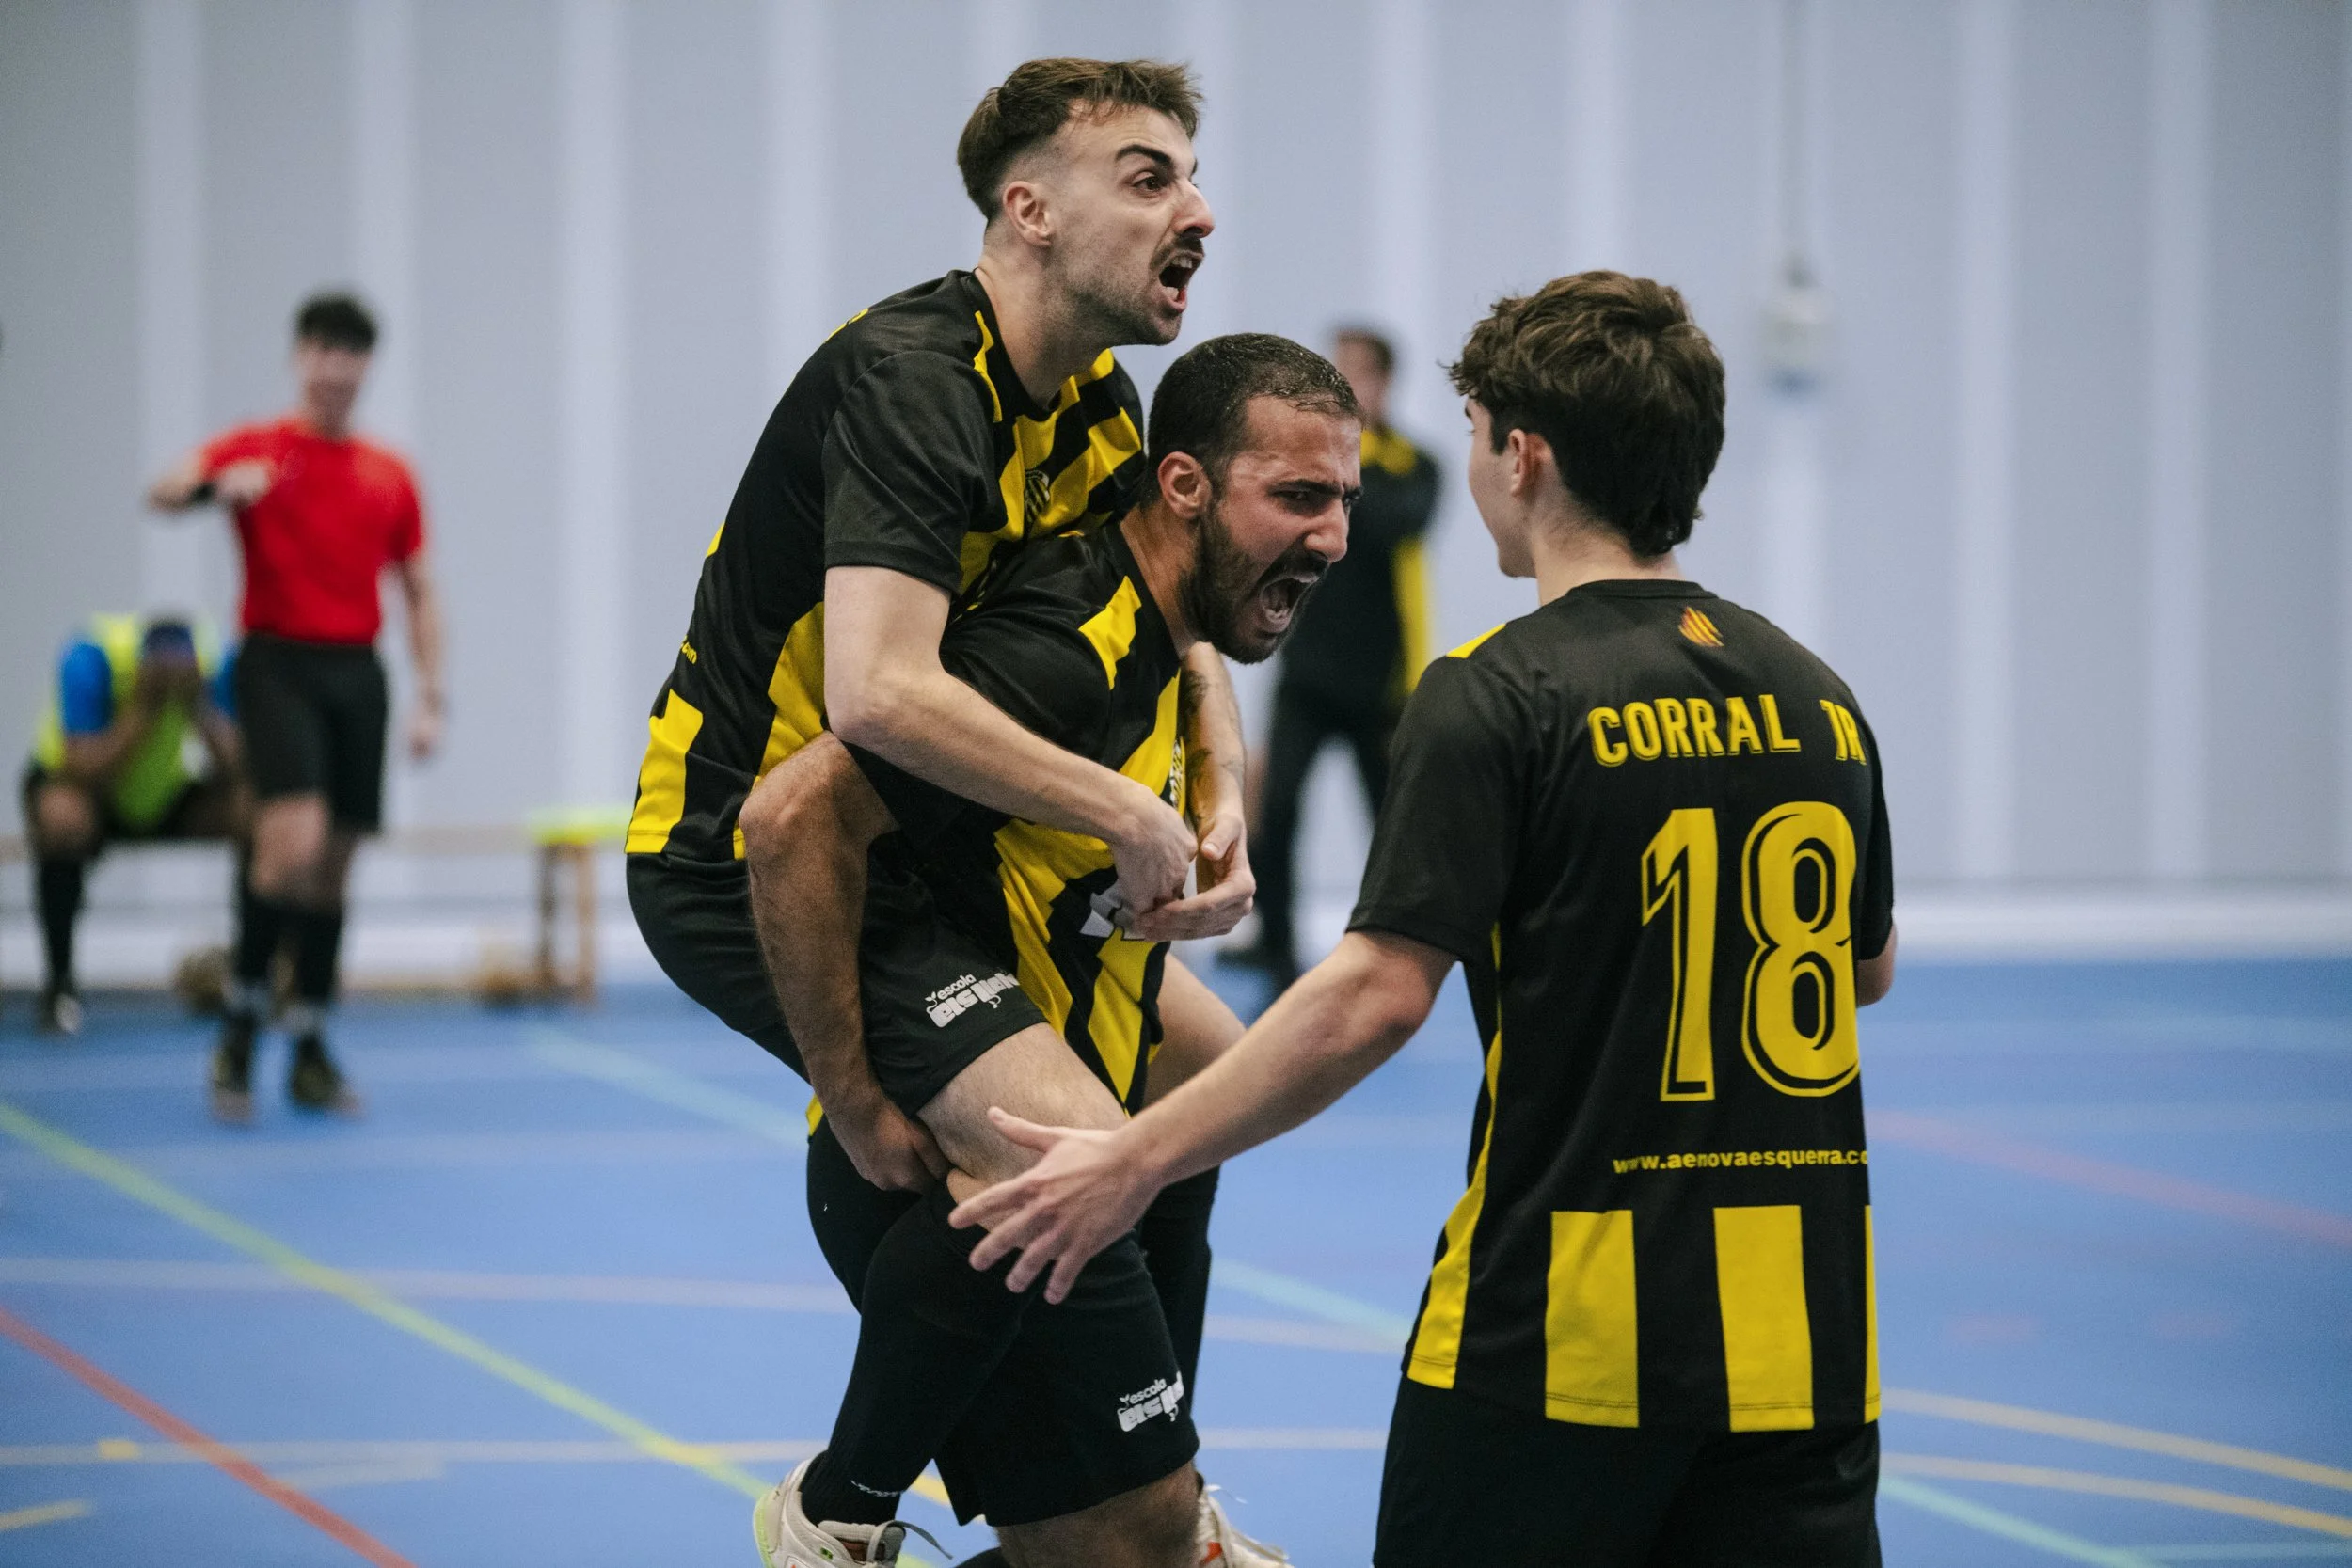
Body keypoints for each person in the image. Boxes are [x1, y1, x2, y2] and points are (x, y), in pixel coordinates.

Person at [956, 273, 1901, 1568]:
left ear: (1523, 456)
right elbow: (1865, 963)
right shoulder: (1819, 696)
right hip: (1808, 1337)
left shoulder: (1499, 693)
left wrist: (1132, 1159)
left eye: (1472, 436)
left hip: (1557, 1335)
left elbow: (1376, 993)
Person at [743, 334, 1355, 1568]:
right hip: (989, 1205)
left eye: (1346, 499)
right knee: (1143, 1554)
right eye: (1299, 496)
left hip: (1069, 1172)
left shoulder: (1153, 626)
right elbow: (790, 819)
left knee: (1210, 1075)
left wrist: (1220, 789)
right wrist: (852, 1092)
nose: (1334, 535)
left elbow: (1193, 661)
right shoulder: (1064, 646)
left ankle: (1172, 1453)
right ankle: (834, 1508)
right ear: (1182, 485)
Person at [148, 293, 446, 1121]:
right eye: (321, 350)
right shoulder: (259, 448)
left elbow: (420, 589)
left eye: (350, 354)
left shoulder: (390, 472)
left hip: (359, 670)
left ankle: (309, 1041)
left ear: (365, 367)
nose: (334, 368)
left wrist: (430, 696)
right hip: (277, 662)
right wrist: (217, 487)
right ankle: (240, 1030)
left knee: (335, 862)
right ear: (299, 357)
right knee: (291, 842)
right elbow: (163, 490)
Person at [1224, 326, 1439, 987]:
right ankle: (1277, 943)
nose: (1342, 384)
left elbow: (1387, 525)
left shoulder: (1412, 466)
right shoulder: (1310, 463)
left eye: (1355, 373)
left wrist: (1351, 453)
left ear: (1383, 382)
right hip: (1307, 674)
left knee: (1392, 826)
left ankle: (1397, 950)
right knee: (1277, 806)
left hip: (1382, 683)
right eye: (1335, 371)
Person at [22, 615, 244, 1035]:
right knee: (63, 819)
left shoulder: (214, 664)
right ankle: (59, 984)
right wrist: (143, 709)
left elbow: (235, 765)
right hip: (90, 788)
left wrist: (199, 707)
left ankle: (256, 976)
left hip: (160, 793)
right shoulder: (92, 659)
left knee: (253, 812)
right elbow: (80, 766)